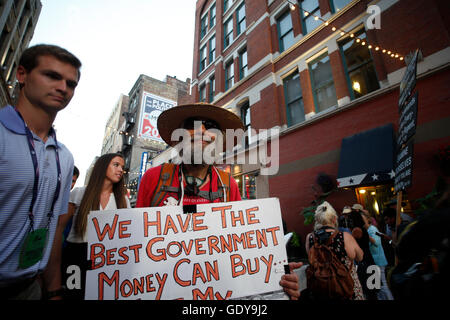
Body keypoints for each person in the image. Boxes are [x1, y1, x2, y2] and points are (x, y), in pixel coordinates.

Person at [136, 102, 302, 300]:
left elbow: (242, 248)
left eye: (210, 125)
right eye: (192, 124)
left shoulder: (228, 185)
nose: (202, 131)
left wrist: (274, 269)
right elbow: (136, 247)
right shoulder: (153, 178)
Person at [0, 44, 81, 300]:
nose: (63, 88)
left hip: (30, 289)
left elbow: (55, 229)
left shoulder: (64, 157)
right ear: (21, 74)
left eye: (71, 83)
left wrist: (54, 290)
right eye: (52, 76)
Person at [49, 153, 130, 300]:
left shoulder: (123, 200)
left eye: (122, 167)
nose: (120, 170)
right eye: (116, 165)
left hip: (107, 260)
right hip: (76, 257)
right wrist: (53, 270)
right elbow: (58, 229)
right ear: (102, 166)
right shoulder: (79, 193)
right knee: (73, 296)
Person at [304, 201, 365, 300]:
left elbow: (311, 259)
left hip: (322, 290)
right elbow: (360, 256)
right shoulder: (344, 237)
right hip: (347, 289)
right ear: (334, 219)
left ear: (317, 220)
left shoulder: (310, 238)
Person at [361, 211, 394, 300]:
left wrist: (365, 235)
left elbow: (376, 242)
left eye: (362, 220)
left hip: (378, 261)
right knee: (377, 287)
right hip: (373, 262)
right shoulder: (368, 230)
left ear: (367, 220)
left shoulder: (372, 229)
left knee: (382, 286)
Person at [349, 204, 378, 300]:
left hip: (364, 263)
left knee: (368, 291)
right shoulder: (363, 229)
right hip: (369, 259)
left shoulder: (356, 231)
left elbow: (352, 246)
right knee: (373, 291)